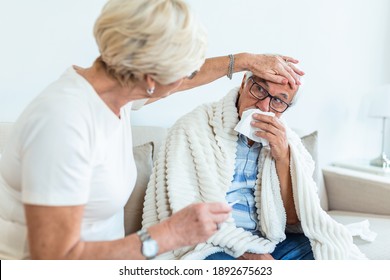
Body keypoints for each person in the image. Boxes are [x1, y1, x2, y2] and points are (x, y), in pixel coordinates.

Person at [0, 0, 304, 260]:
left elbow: (177, 82)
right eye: (185, 71)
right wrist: (168, 234)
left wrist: (244, 61)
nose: (188, 79)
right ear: (150, 78)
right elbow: (52, 260)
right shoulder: (64, 123)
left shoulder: (116, 96)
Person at [141, 71, 368, 260]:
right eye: (259, 89)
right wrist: (246, 251)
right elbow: (185, 211)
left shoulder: (289, 143)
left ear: (285, 108)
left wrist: (283, 157)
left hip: (269, 242)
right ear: (243, 83)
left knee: (327, 251)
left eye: (278, 100)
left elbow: (293, 221)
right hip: (212, 244)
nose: (263, 105)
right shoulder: (194, 128)